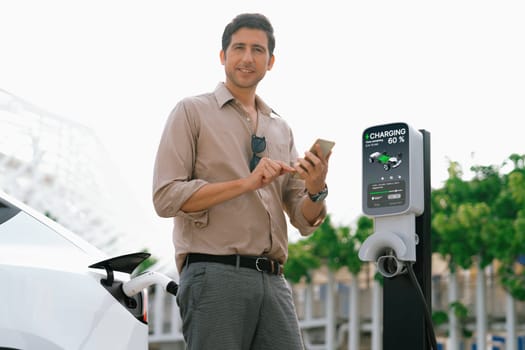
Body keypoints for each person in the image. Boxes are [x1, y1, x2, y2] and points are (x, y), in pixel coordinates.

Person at [152, 13, 331, 350]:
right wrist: (247, 183)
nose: (248, 58)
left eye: (258, 50)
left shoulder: (281, 128)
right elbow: (165, 197)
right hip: (214, 276)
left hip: (273, 281)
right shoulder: (191, 112)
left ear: (271, 62)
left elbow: (303, 219)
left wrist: (316, 187)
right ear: (223, 56)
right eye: (239, 48)